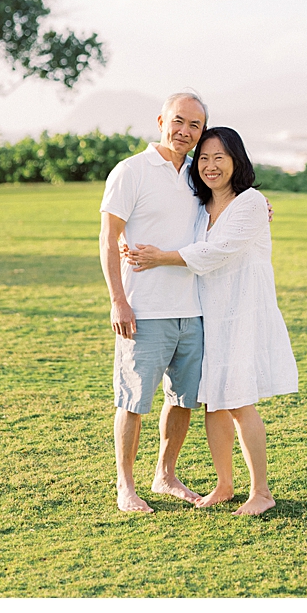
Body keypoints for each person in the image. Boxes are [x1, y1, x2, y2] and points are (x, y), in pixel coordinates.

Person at [125, 126, 299, 516]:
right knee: (215, 402)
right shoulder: (199, 208)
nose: (210, 165)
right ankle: (224, 483)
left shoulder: (252, 202)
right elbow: (162, 223)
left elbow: (216, 251)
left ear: (237, 160)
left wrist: (160, 257)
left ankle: (262, 493)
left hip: (244, 313)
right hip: (210, 313)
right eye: (203, 158)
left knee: (239, 401)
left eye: (219, 157)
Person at [100, 90, 210, 513]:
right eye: (178, 121)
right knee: (132, 400)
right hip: (143, 310)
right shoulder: (131, 172)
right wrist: (118, 301)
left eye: (195, 125)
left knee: (183, 399)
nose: (185, 131)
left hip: (193, 309)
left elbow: (228, 204)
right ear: (161, 121)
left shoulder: (198, 175)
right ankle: (125, 486)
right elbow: (109, 239)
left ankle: (165, 475)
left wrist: (260, 207)